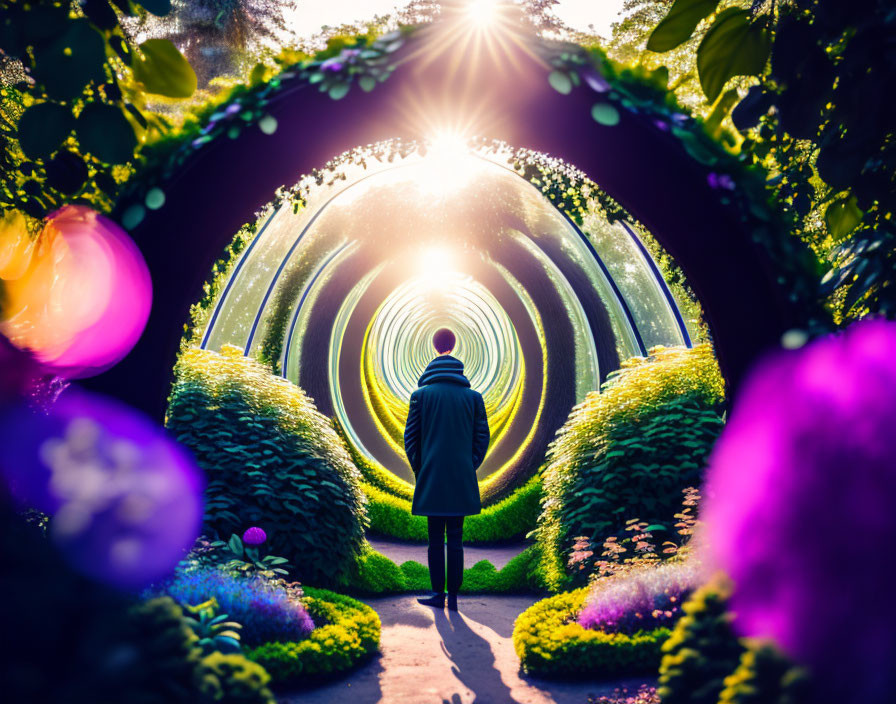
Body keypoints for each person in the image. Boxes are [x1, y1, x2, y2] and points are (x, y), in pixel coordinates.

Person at [403, 327, 490, 611]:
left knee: (434, 541)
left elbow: (411, 439)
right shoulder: (474, 398)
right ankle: (454, 596)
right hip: (460, 478)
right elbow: (482, 438)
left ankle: (437, 595)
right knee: (456, 539)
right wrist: (468, 465)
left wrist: (422, 468)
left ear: (434, 347)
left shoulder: (421, 395)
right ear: (453, 348)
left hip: (432, 478)